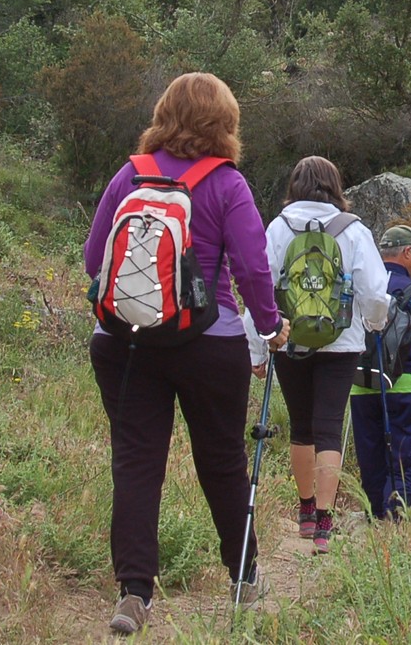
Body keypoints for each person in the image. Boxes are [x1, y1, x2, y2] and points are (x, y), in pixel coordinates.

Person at [85, 72, 292, 635]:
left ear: (163, 113)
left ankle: (133, 594)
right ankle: (243, 578)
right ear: (226, 123)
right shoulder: (227, 184)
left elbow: (93, 258)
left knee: (136, 461)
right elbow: (251, 268)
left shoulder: (130, 174)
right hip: (209, 343)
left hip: (125, 341)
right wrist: (270, 326)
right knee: (221, 460)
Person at [255, 156, 391, 554]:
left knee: (301, 427)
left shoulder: (279, 227)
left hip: (289, 339)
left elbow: (260, 285)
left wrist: (257, 347)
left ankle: (305, 511)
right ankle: (325, 524)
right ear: (336, 186)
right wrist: (374, 323)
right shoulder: (353, 230)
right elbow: (374, 292)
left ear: (294, 185)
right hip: (341, 341)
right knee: (329, 427)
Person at [350, 225, 411, 520]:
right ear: (407, 252)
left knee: (369, 452)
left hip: (361, 382)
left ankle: (375, 512)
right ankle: (396, 514)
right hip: (403, 384)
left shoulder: (360, 286)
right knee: (404, 453)